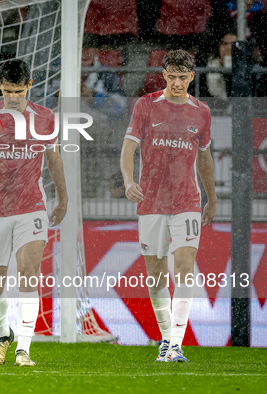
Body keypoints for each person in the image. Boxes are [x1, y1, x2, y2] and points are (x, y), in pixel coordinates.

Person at [0, 59, 68, 367]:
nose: (13, 98)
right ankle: (2, 334)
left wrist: (63, 198)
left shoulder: (45, 117)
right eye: (8, 91)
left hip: (31, 207)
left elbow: (54, 159)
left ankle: (24, 349)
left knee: (28, 274)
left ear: (29, 86)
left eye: (19, 91)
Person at [120, 50, 217, 362]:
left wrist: (211, 197)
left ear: (191, 76)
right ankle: (165, 339)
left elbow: (204, 157)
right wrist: (128, 181)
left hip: (187, 201)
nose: (177, 82)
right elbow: (128, 148)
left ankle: (176, 343)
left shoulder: (201, 112)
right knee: (156, 275)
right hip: (151, 203)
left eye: (183, 76)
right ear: (163, 74)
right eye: (172, 76)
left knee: (185, 268)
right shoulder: (146, 106)